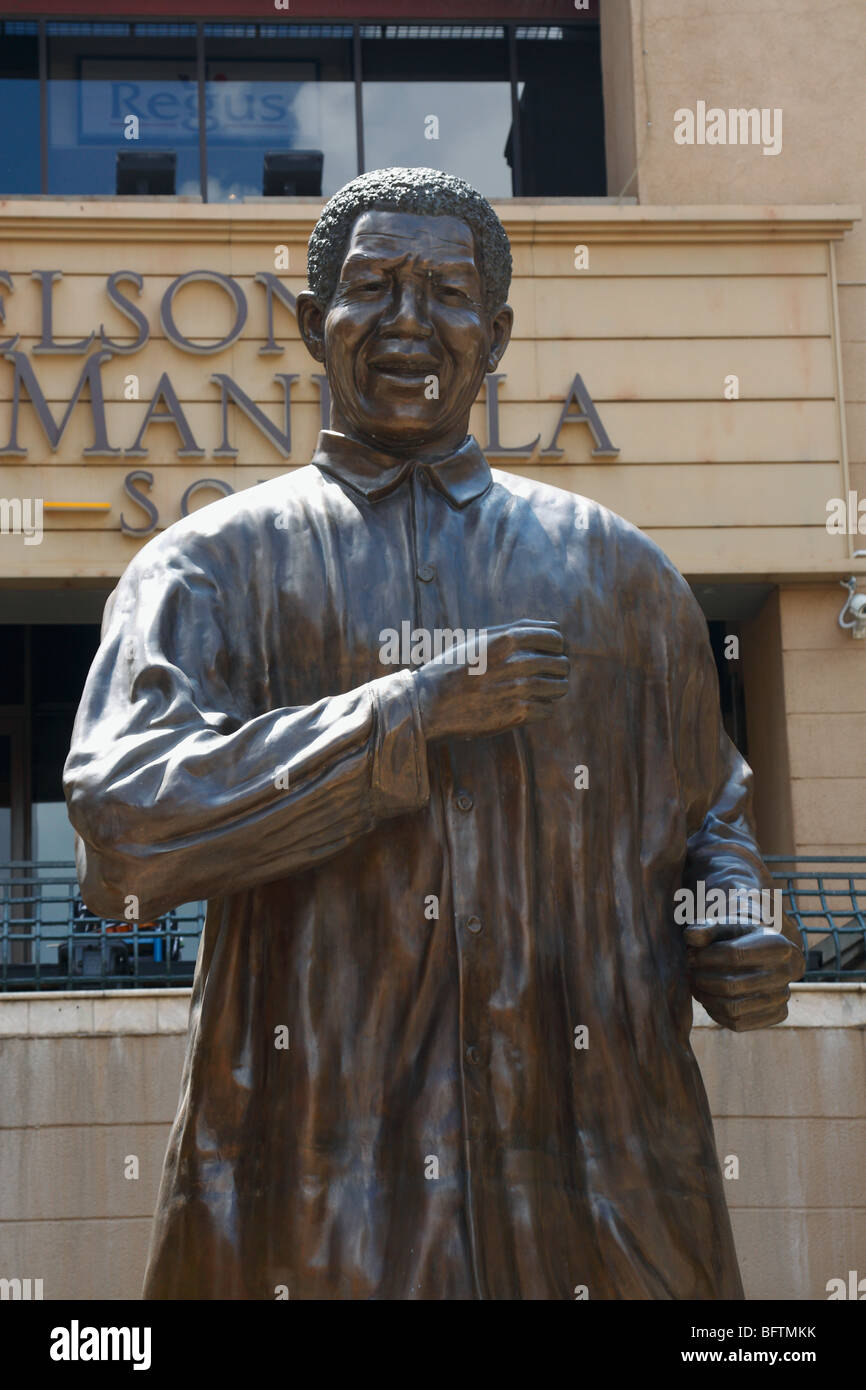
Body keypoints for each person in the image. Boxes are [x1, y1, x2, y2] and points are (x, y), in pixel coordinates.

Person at [64, 167, 803, 1300]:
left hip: (597, 1190)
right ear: (316, 324)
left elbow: (708, 817)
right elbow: (122, 834)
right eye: (375, 288)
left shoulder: (617, 572)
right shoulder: (209, 566)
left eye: (448, 293)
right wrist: (401, 720)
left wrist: (739, 926)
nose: (410, 322)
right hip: (313, 1194)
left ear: (495, 334)